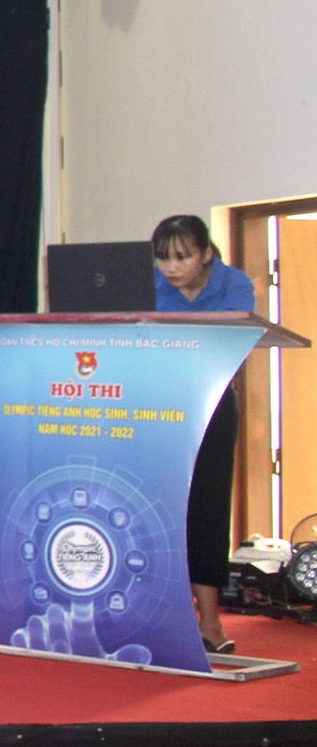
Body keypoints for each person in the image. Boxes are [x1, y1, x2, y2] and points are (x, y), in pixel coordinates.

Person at [153, 213, 257, 655]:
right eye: (162, 258)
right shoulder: (147, 287)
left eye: (182, 257)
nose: (171, 268)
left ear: (207, 253)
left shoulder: (235, 285)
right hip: (155, 406)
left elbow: (233, 344)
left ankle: (210, 623)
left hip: (211, 405)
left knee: (207, 513)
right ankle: (156, 614)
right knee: (159, 510)